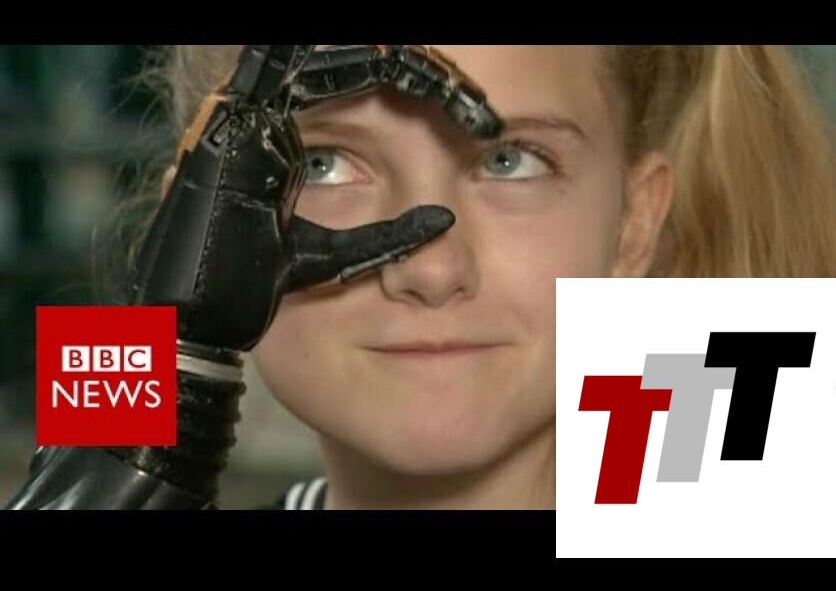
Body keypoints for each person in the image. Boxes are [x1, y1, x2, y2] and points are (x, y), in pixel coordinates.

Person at [6, 45, 836, 511]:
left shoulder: (732, 495)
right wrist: (162, 354)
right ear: (194, 239)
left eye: (511, 161)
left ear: (635, 224)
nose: (433, 269)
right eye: (325, 163)